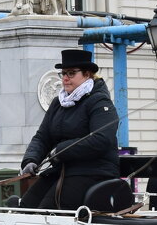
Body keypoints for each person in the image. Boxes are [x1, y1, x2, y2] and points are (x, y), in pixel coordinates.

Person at [19, 49, 120, 210]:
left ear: (87, 74)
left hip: (94, 171)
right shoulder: (58, 104)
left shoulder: (99, 101)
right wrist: (31, 160)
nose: (65, 78)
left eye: (71, 73)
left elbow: (101, 139)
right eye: (63, 73)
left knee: (48, 209)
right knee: (25, 206)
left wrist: (61, 150)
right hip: (63, 170)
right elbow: (42, 137)